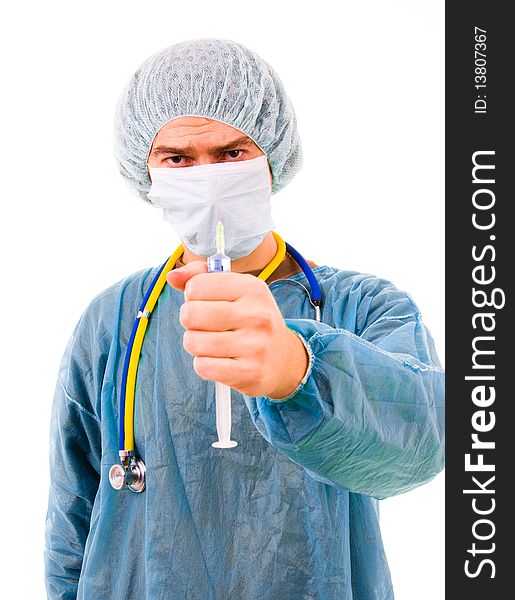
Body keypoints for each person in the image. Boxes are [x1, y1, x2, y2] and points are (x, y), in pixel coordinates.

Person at [44, 38, 445, 600]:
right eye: (178, 159)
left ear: (273, 158)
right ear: (147, 172)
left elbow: (423, 444)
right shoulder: (113, 322)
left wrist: (300, 367)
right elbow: (72, 517)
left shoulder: (364, 307)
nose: (207, 177)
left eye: (232, 153)